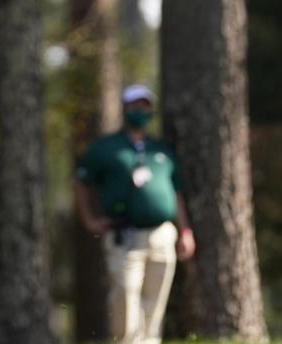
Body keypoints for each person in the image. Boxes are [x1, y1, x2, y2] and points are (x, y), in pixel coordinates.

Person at [74, 84, 197, 344]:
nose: (140, 110)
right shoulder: (105, 147)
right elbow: (81, 181)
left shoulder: (161, 149)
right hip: (124, 234)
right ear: (125, 108)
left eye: (145, 105)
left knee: (156, 301)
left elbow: (175, 192)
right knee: (125, 295)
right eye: (135, 105)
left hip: (162, 233)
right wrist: (89, 220)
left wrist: (184, 230)